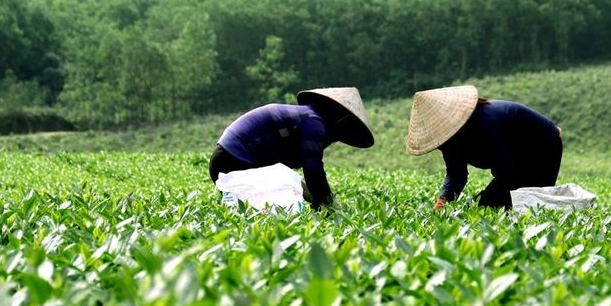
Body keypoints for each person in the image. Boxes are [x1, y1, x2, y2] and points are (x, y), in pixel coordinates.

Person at [209, 87, 374, 210]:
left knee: (289, 193)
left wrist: (314, 196)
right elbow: (313, 168)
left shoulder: (306, 117)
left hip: (226, 160)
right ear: (338, 120)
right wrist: (328, 204)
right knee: (272, 208)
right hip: (232, 161)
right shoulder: (313, 123)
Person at [405, 85, 563, 210]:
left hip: (542, 148)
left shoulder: (486, 122)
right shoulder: (449, 140)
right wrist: (443, 201)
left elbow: (507, 172)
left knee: (530, 203)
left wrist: (488, 198)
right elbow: (457, 174)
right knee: (486, 206)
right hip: (515, 160)